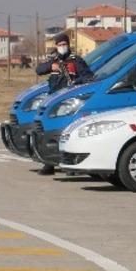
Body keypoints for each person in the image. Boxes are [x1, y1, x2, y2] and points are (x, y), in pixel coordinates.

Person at [33, 32, 94, 174]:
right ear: (56, 46)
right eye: (60, 45)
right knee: (47, 133)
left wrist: (75, 83)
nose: (62, 47)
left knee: (66, 134)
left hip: (68, 102)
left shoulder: (76, 60)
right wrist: (51, 66)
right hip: (53, 101)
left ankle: (69, 165)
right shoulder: (53, 61)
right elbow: (39, 70)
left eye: (64, 44)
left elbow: (88, 77)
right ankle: (48, 164)